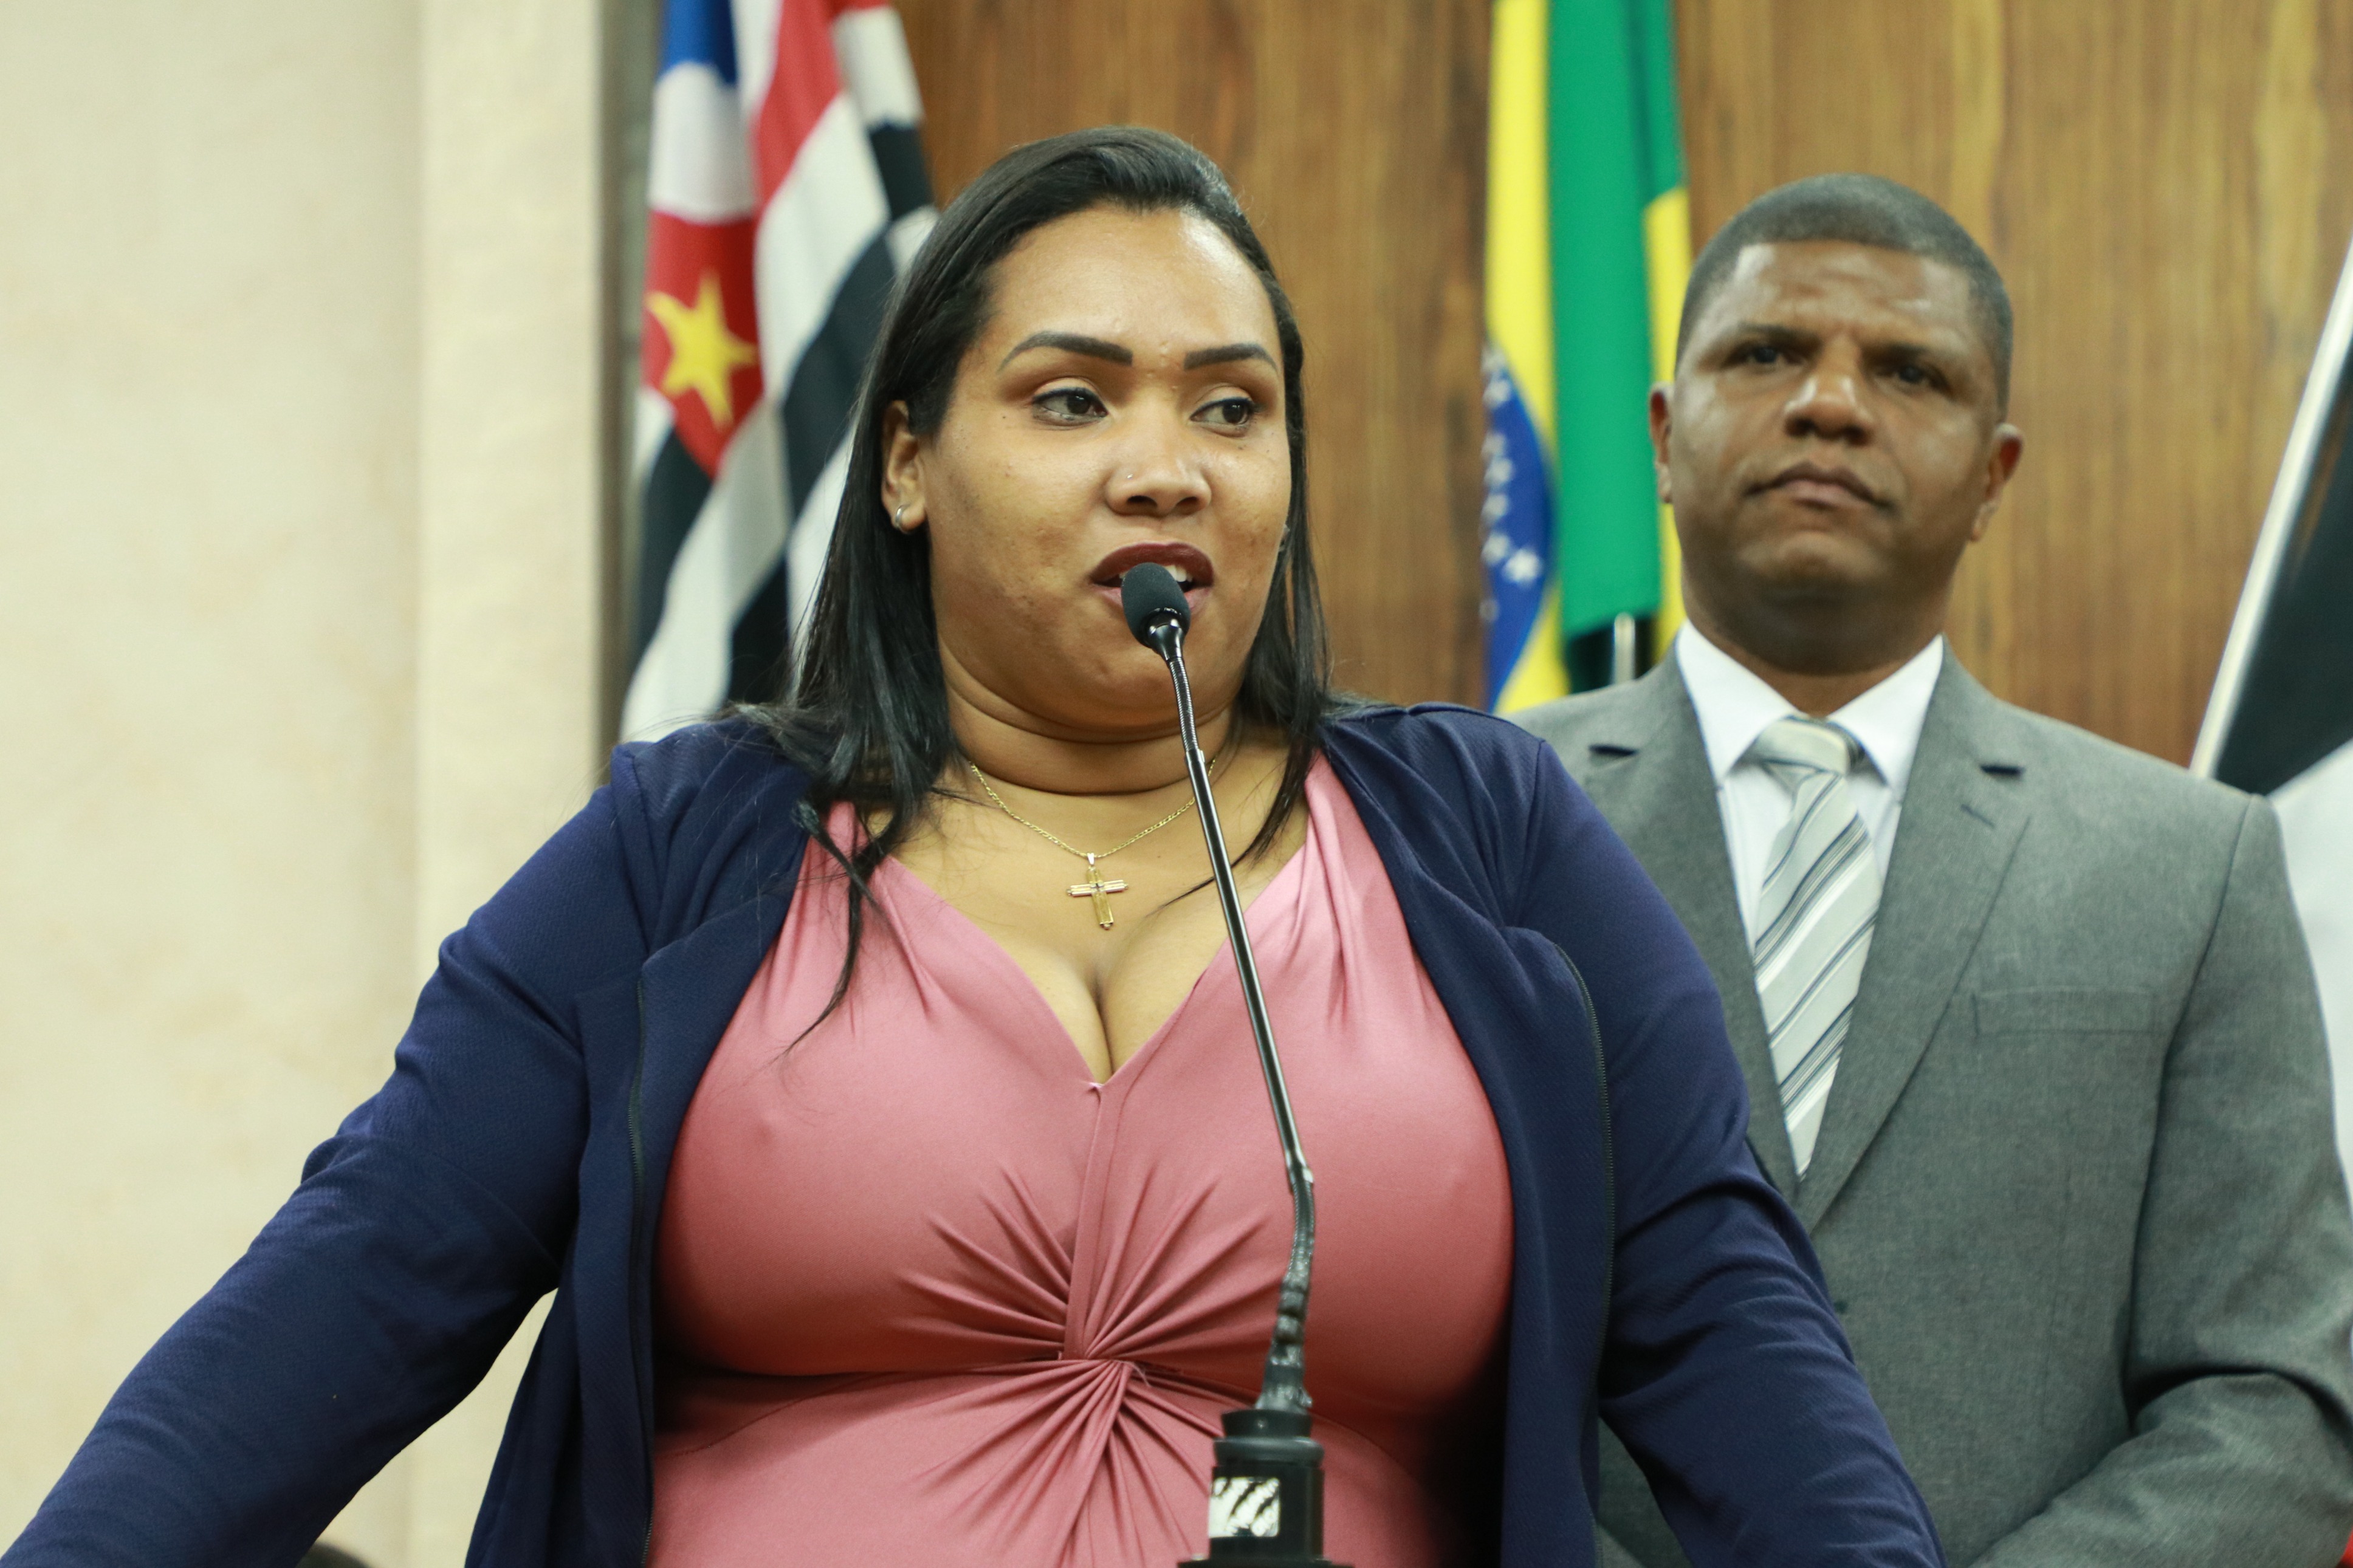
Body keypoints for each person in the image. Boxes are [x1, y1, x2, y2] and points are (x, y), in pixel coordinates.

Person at [7, 131, 1945, 1568]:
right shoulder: (690, 847)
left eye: (1233, 407)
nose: (1164, 466)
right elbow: (351, 1289)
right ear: (910, 461)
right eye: (1073, 398)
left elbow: (1734, 1326)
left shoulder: (1486, 834)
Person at [1518, 172, 2353, 1567]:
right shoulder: (1463, 832)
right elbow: (1384, 1339)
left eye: (1908, 372)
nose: (1829, 404)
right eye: (1766, 353)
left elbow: (2276, 1396)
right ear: (1662, 437)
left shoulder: (2190, 864)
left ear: (1991, 478)